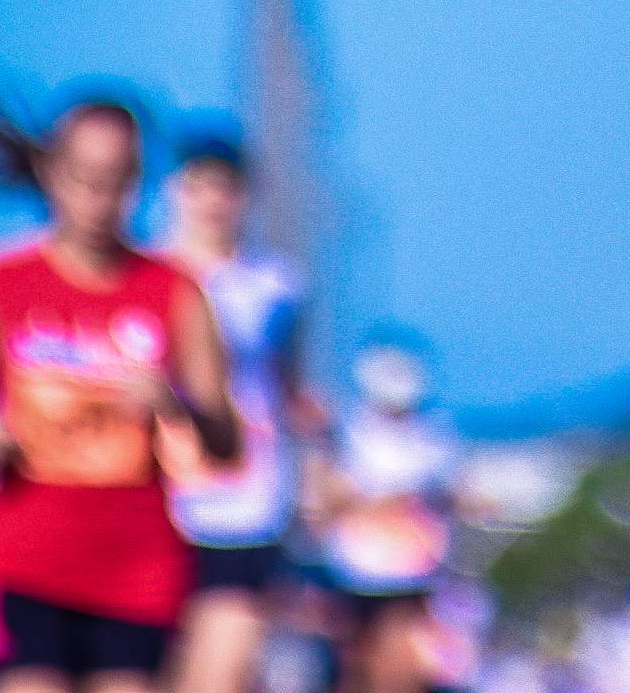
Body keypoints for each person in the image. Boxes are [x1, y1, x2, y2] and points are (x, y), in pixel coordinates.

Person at [0, 90, 244, 693]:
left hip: (137, 566)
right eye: (85, 178)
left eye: (117, 181)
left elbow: (227, 442)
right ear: (51, 173)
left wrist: (171, 404)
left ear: (138, 183)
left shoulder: (175, 290)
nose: (100, 200)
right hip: (26, 558)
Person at [159, 128, 317, 693]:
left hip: (246, 499)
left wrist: (320, 466)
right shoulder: (147, 275)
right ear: (175, 191)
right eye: (198, 187)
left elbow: (289, 386)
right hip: (160, 497)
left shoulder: (275, 285)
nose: (211, 202)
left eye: (224, 188)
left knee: (224, 668)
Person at [304, 338, 467, 693]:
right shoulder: (345, 431)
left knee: (400, 667)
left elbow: (450, 497)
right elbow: (325, 501)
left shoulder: (434, 434)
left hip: (411, 574)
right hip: (354, 572)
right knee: (358, 667)